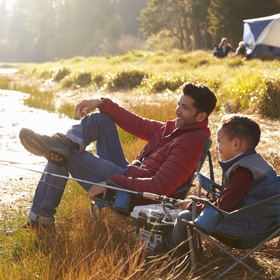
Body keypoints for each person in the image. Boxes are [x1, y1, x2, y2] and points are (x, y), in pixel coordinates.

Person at [18, 82, 217, 231]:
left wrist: (113, 181)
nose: (177, 111)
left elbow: (160, 187)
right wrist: (101, 103)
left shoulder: (189, 144)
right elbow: (137, 124)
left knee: (64, 155)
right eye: (178, 104)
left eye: (184, 108)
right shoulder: (175, 129)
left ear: (200, 116)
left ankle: (40, 221)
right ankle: (63, 143)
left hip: (133, 193)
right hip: (130, 172)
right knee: (101, 119)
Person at [152, 114, 279, 261]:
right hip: (260, 224)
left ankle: (172, 262)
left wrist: (194, 205)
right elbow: (232, 200)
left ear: (236, 144)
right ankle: (171, 255)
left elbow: (224, 207)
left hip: (246, 231)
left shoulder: (243, 171)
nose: (217, 147)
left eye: (219, 141)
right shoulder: (255, 162)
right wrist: (201, 203)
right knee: (191, 212)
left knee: (184, 217)